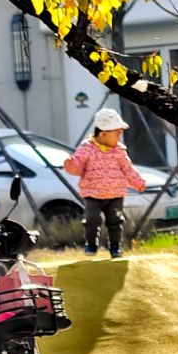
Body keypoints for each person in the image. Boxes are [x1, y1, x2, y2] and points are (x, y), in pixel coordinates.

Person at [64, 107, 147, 257]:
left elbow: (128, 169)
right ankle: (91, 244)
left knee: (115, 221)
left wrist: (138, 182)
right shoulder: (86, 148)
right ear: (102, 134)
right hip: (92, 193)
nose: (120, 136)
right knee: (92, 219)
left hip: (115, 194)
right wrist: (71, 164)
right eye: (117, 133)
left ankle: (115, 247)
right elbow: (78, 166)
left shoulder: (119, 151)